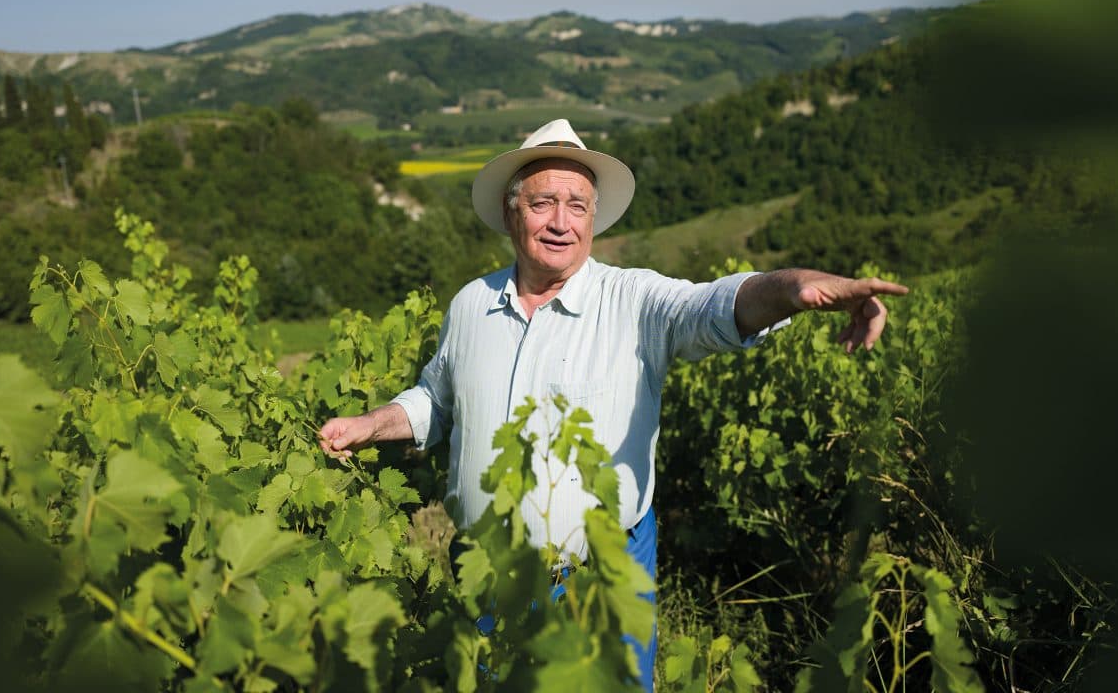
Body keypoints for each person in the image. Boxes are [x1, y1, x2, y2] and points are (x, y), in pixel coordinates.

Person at [319, 118, 908, 689]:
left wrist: (793, 291)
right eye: (543, 202)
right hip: (488, 580)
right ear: (510, 211)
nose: (561, 222)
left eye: (577, 205)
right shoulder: (471, 305)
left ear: (593, 217)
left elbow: (714, 306)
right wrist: (372, 424)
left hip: (600, 581)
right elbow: (437, 401)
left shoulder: (632, 301)